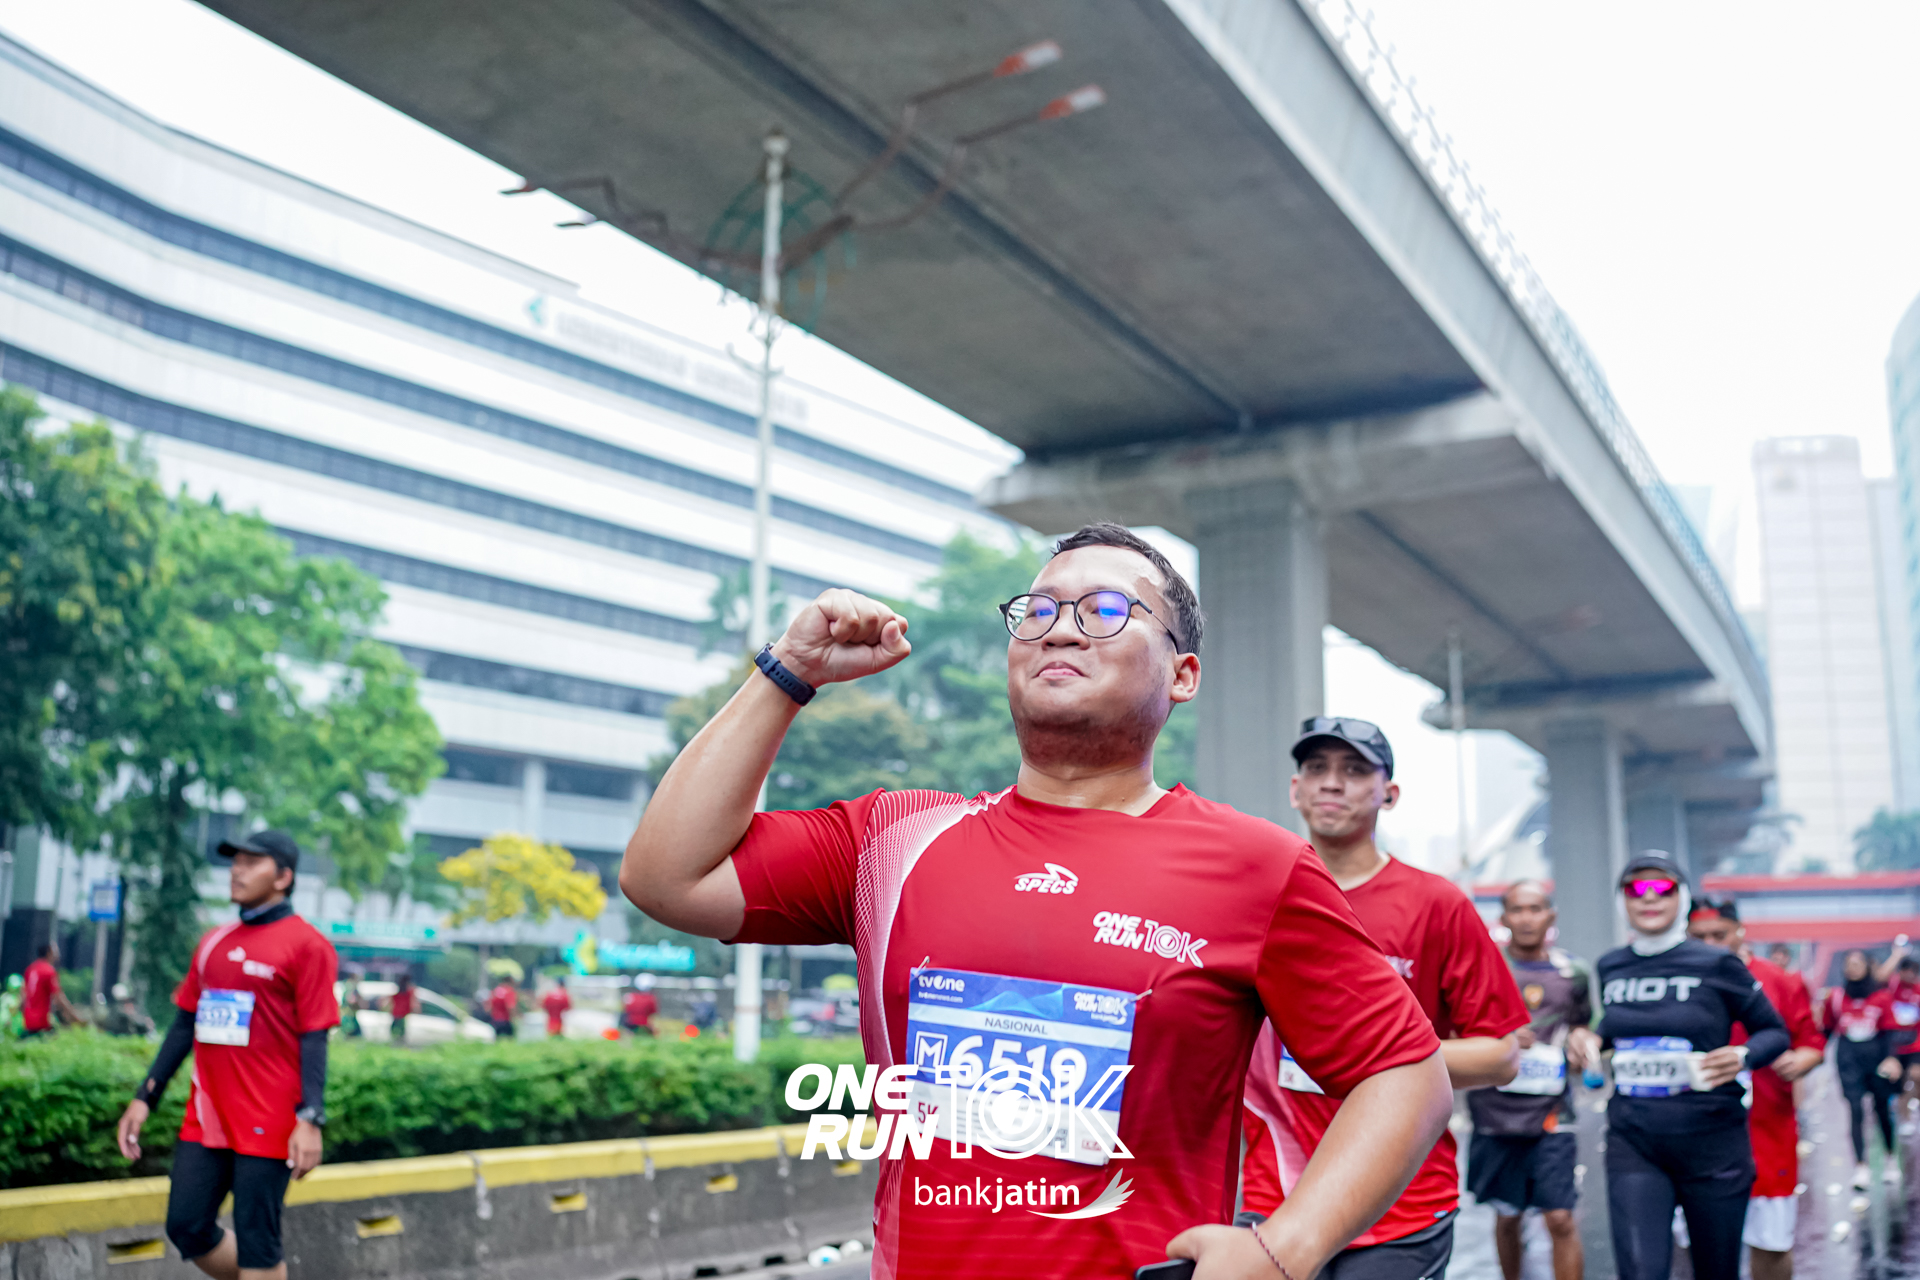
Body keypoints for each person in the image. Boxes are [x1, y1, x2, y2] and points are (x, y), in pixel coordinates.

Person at [620, 523, 1455, 1280]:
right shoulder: (895, 842)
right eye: (1039, 610)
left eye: (1105, 610)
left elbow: (1407, 1076)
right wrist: (788, 672)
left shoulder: (1258, 867)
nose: (1059, 627)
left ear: (1183, 674)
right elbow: (668, 878)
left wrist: (1283, 1250)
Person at [1241, 719, 1528, 1280]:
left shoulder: (1436, 903)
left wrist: (1369, 1058)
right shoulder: (1252, 897)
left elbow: (1501, 1055)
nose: (1332, 783)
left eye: (1354, 770)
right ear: (1295, 789)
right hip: (1274, 1196)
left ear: (1388, 794)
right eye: (1317, 769)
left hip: (1401, 1205)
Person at [113, 829, 338, 1280]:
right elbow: (184, 1025)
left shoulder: (308, 945)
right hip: (208, 1116)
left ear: (283, 877)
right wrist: (145, 1096)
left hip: (270, 1118)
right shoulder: (214, 942)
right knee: (186, 1226)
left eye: (251, 863)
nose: (237, 870)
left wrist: (310, 1118)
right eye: (235, 862)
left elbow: (315, 1036)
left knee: (258, 1243)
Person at [1597, 853, 1788, 1280]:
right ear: (1621, 899)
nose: (1649, 898)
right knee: (1640, 1273)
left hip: (1713, 1142)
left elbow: (1774, 1032)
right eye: (1635, 888)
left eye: (1662, 888)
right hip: (1634, 1141)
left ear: (1681, 897)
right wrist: (1588, 1039)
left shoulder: (1716, 963)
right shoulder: (1610, 966)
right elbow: (1615, 1028)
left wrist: (1741, 1056)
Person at [1464, 880, 1597, 1280]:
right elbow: (1456, 1027)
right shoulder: (1484, 968)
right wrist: (1497, 1038)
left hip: (1553, 1113)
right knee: (1508, 1216)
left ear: (1550, 915)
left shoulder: (1573, 972)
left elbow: (1584, 1024)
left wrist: (1582, 1043)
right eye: (1517, 910)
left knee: (1560, 1217)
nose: (1526, 919)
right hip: (1495, 1114)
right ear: (1504, 918)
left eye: (1535, 909)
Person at [1685, 898, 1823, 1280]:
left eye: (1719, 935)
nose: (1710, 944)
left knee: (1771, 1241)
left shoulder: (1779, 980)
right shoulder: (1676, 984)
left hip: (1766, 1132)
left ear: (1740, 932)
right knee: (1697, 1243)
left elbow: (1811, 1041)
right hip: (1694, 1136)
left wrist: (1799, 1061)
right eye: (1699, 936)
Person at [1819, 948, 1902, 1188]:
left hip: (1876, 1059)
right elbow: (1826, 1030)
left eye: (1857, 964)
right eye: (1848, 964)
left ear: (1867, 966)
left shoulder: (1881, 997)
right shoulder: (1836, 997)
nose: (1852, 968)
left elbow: (1890, 1030)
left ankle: (1890, 1159)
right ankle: (1860, 1167)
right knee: (1855, 1109)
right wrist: (1812, 1054)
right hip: (1848, 1060)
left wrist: (1892, 1058)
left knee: (1882, 1110)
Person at [21, 941, 84, 1036]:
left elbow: (23, 995)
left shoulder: (30, 969)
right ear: (49, 953)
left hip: (28, 1019)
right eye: (56, 952)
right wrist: (74, 1016)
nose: (58, 955)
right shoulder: (49, 971)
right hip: (41, 1021)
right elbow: (59, 997)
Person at [388, 973, 415, 1044]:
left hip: (395, 1015)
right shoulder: (409, 992)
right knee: (401, 1038)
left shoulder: (396, 992)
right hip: (402, 1016)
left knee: (394, 1036)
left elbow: (390, 1003)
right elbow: (412, 1004)